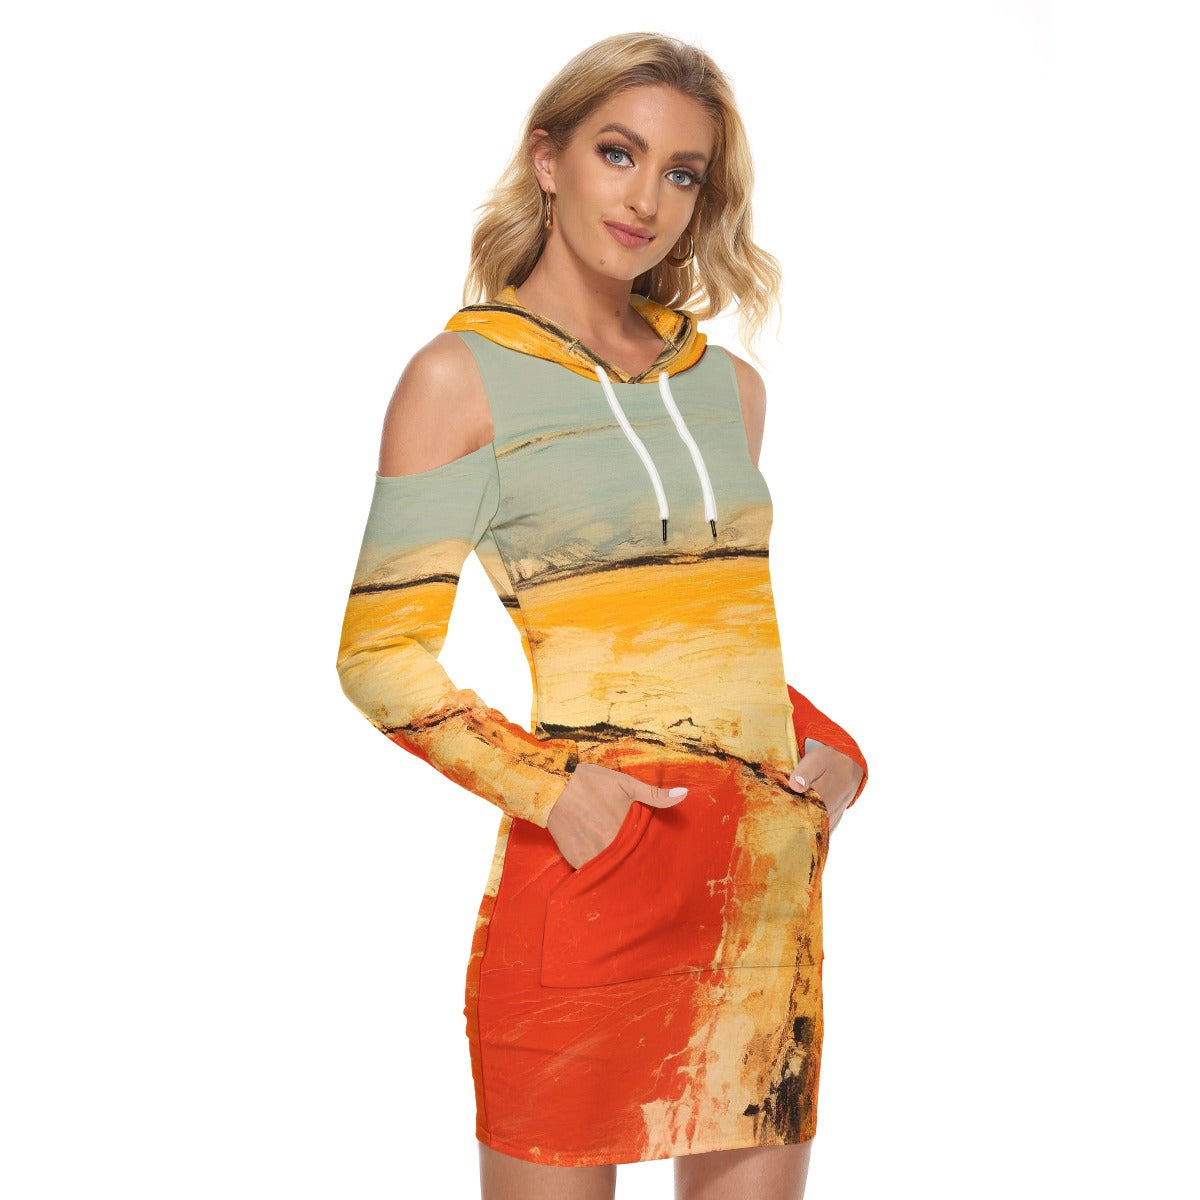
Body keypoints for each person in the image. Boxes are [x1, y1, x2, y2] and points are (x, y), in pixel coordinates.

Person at [335, 31, 868, 1200]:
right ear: (548, 159)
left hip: (759, 899)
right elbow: (379, 656)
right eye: (617, 153)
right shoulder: (459, 378)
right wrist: (556, 792)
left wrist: (831, 752)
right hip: (588, 888)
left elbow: (697, 637)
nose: (646, 198)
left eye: (682, 173)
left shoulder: (727, 389)